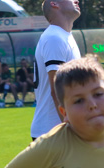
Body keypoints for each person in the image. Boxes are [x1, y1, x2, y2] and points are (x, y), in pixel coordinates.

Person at [31, 0, 81, 140]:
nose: (76, 1)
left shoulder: (64, 36)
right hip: (54, 131)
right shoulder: (55, 37)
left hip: (56, 129)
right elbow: (57, 89)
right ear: (54, 4)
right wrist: (71, 126)